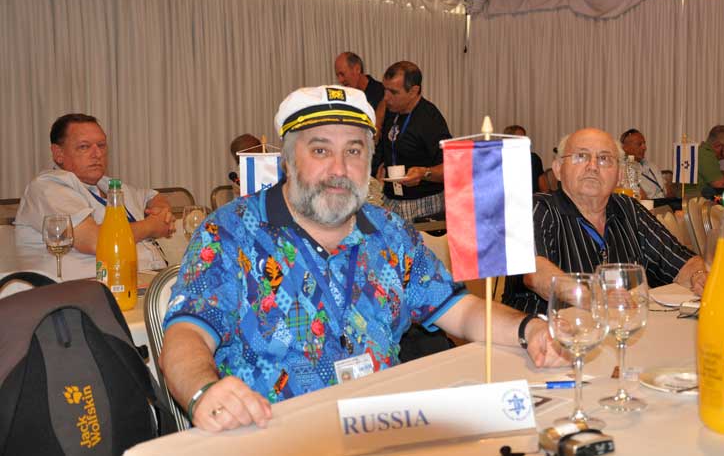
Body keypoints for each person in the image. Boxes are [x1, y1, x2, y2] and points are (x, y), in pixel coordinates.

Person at [159, 86, 567, 432]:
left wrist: (530, 328)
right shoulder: (231, 232)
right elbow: (185, 336)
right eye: (320, 150)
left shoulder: (390, 233)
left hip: (380, 430)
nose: (339, 168)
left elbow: (460, 311)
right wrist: (203, 393)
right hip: (272, 433)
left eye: (353, 150)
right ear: (288, 159)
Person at [502, 128, 707, 316]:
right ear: (558, 169)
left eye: (604, 159)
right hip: (545, 333)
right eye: (581, 156)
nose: (592, 166)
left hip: (618, 329)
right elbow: (535, 273)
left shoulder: (628, 209)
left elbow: (680, 260)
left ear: (619, 175)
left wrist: (698, 276)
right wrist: (595, 299)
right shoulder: (536, 208)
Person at [15, 113, 174, 275]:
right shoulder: (47, 187)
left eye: (101, 145)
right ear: (58, 153)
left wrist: (161, 210)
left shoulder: (107, 184)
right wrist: (151, 226)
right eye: (84, 147)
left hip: (145, 279)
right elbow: (95, 241)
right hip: (83, 286)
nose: (97, 154)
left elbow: (151, 196)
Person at [374, 61, 451, 222]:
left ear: (414, 91)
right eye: (384, 89)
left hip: (422, 204)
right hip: (391, 200)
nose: (386, 97)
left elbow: (450, 167)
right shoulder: (392, 109)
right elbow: (383, 104)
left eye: (393, 92)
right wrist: (378, 124)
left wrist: (424, 173)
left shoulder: (429, 119)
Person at [334, 52, 386, 136]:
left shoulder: (383, 93)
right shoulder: (344, 98)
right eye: (337, 76)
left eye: (342, 74)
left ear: (357, 69)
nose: (340, 80)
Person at [685, 125, 724, 197]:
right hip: (694, 200)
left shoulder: (700, 151)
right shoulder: (706, 155)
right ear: (718, 146)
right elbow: (720, 185)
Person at [620, 128, 672, 199]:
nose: (644, 147)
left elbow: (667, 190)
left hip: (664, 202)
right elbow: (640, 197)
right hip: (647, 204)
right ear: (625, 147)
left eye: (644, 143)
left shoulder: (653, 166)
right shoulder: (623, 169)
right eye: (639, 144)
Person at [504, 125, 548, 193]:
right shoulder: (500, 160)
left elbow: (544, 189)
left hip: (533, 198)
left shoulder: (533, 159)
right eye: (519, 139)